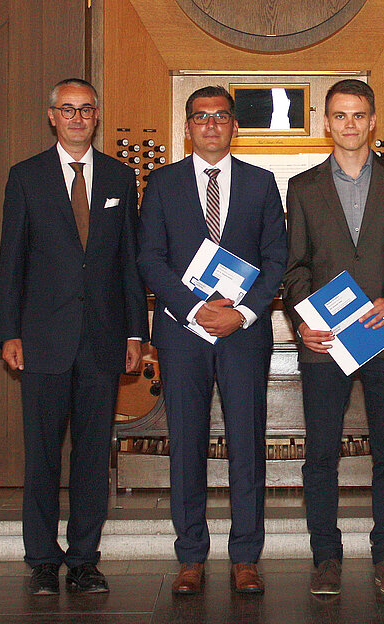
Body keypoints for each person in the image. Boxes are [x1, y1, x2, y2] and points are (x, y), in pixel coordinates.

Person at [0, 78, 149, 595]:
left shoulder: (119, 177)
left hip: (104, 340)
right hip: (42, 340)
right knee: (42, 457)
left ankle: (84, 559)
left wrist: (136, 333)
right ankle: (42, 560)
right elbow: (11, 262)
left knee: (91, 457)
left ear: (96, 116)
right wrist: (8, 332)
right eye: (68, 109)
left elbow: (129, 262)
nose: (77, 118)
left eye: (86, 109)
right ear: (52, 116)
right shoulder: (26, 177)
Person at [282, 79, 384, 595]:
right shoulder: (302, 187)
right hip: (325, 341)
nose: (350, 124)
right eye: (340, 115)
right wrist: (304, 321)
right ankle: (326, 557)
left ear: (373, 121)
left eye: (359, 115)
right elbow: (295, 267)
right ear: (327, 122)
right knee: (321, 455)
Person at [137, 85, 287, 595]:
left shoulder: (261, 183)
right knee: (186, 444)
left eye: (221, 116)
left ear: (234, 126)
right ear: (187, 128)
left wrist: (242, 313)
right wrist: (194, 308)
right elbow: (150, 258)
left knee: (247, 444)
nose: (211, 125)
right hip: (183, 332)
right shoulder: (162, 183)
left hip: (243, 334)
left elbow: (276, 259)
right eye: (201, 117)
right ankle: (190, 557)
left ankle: (246, 556)